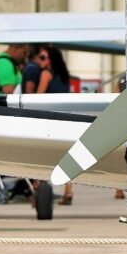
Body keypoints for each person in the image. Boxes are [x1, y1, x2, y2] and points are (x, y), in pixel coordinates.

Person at [33, 45, 75, 205]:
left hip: (47, 119)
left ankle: (39, 188)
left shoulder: (46, 74)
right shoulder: (64, 76)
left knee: (41, 155)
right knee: (65, 156)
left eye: (43, 58)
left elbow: (38, 98)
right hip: (64, 118)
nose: (39, 61)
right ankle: (68, 191)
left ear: (50, 60)